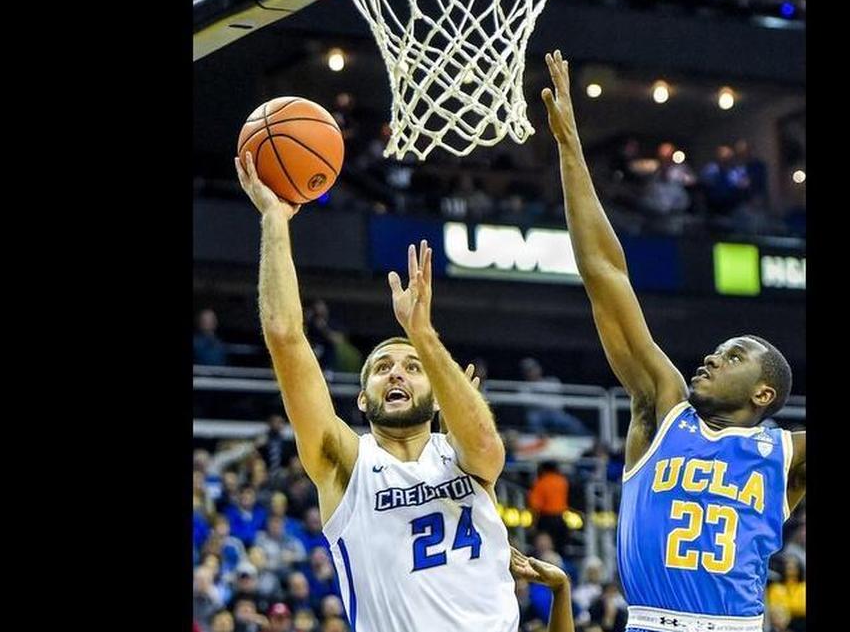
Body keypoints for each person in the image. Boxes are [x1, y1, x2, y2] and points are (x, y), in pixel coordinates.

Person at [540, 50, 807, 632]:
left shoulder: (788, 454)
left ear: (765, 394)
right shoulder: (664, 408)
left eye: (734, 356)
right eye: (718, 349)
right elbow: (606, 275)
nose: (713, 356)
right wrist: (570, 151)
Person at [236, 151, 519, 631]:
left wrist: (422, 334)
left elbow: (488, 446)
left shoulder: (464, 457)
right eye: (382, 367)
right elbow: (285, 337)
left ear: (435, 395)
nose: (396, 374)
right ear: (362, 399)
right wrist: (274, 219)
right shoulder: (346, 462)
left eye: (412, 367)